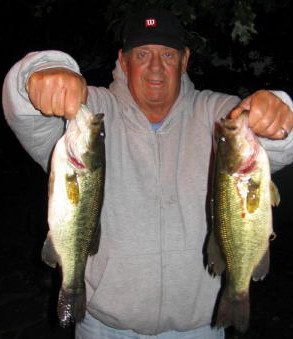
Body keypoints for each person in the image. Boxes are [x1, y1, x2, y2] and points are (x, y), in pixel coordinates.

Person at [2, 8, 293, 339]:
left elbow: (282, 146)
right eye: (142, 54)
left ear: (184, 60)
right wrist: (43, 71)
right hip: (104, 326)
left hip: (198, 327)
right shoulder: (85, 114)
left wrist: (280, 110)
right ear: (124, 62)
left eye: (167, 54)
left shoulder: (222, 117)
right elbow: (21, 111)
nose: (156, 66)